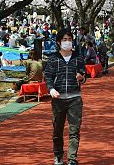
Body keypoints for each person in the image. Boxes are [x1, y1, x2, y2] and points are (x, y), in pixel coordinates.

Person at [44, 29, 86, 165]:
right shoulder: (53, 59)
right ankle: (58, 156)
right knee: (57, 130)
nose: (68, 42)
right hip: (58, 99)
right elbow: (48, 76)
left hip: (75, 98)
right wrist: (51, 89)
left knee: (74, 130)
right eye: (64, 40)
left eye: (69, 39)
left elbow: (83, 75)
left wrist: (82, 77)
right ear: (58, 42)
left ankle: (72, 159)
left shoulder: (78, 57)